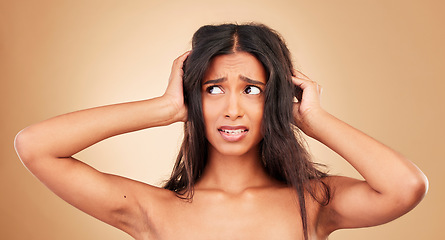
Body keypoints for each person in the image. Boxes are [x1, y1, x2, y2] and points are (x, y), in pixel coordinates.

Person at [14, 23, 428, 240]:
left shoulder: (315, 201)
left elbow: (405, 187)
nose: (232, 109)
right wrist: (164, 109)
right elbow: (34, 146)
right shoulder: (150, 209)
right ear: (193, 97)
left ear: (278, 98)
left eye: (253, 90)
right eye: (213, 89)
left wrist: (309, 118)